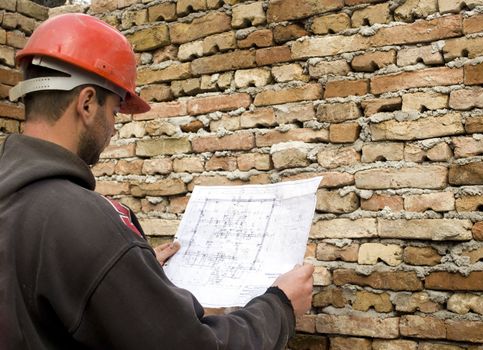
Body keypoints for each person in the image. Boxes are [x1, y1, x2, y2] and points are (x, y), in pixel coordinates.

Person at [0, 13, 314, 349]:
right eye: (115, 111)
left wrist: (132, 277)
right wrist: (280, 306)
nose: (114, 127)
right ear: (87, 103)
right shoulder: (85, 223)